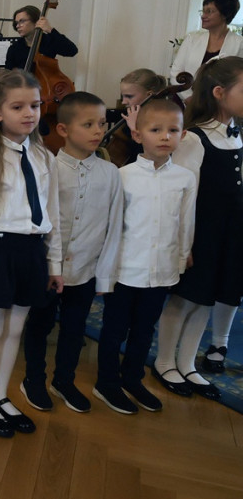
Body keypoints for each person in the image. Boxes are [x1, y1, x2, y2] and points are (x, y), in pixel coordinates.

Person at [0, 70, 63, 437]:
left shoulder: (44, 157)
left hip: (31, 251)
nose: (29, 113)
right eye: (18, 107)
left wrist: (54, 263)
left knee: (15, 329)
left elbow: (52, 215)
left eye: (35, 105)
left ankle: (0, 395)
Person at [20, 92, 123, 414]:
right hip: (48, 269)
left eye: (101, 124)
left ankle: (64, 380)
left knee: (75, 329)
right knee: (40, 325)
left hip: (86, 269)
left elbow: (114, 226)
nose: (98, 131)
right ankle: (33, 378)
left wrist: (105, 276)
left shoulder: (111, 173)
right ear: (63, 129)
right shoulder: (47, 169)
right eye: (88, 124)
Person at [93, 97, 196, 414]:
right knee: (114, 329)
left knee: (144, 329)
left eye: (173, 130)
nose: (165, 136)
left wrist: (182, 257)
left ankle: (132, 378)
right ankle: (106, 382)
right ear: (138, 134)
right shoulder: (122, 176)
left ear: (182, 135)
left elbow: (186, 221)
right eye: (156, 130)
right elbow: (110, 227)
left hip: (161, 271)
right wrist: (105, 271)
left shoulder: (185, 178)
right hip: (125, 270)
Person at [154, 57, 243, 398]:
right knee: (185, 299)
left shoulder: (237, 135)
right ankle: (165, 361)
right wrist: (183, 244)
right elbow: (181, 196)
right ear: (220, 92)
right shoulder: (194, 139)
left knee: (207, 300)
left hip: (229, 234)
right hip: (200, 233)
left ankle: (188, 363)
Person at [170, 0, 243, 100]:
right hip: (184, 101)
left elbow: (238, 81)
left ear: (225, 14)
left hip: (219, 103)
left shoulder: (240, 43)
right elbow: (175, 72)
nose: (203, 16)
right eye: (203, 11)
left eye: (209, 11)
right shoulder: (191, 39)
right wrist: (189, 98)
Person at [4, 5, 78, 71]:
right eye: (16, 23)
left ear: (36, 21)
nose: (17, 26)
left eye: (22, 21)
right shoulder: (14, 48)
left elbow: (72, 51)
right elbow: (8, 74)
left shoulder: (48, 41)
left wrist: (50, 30)